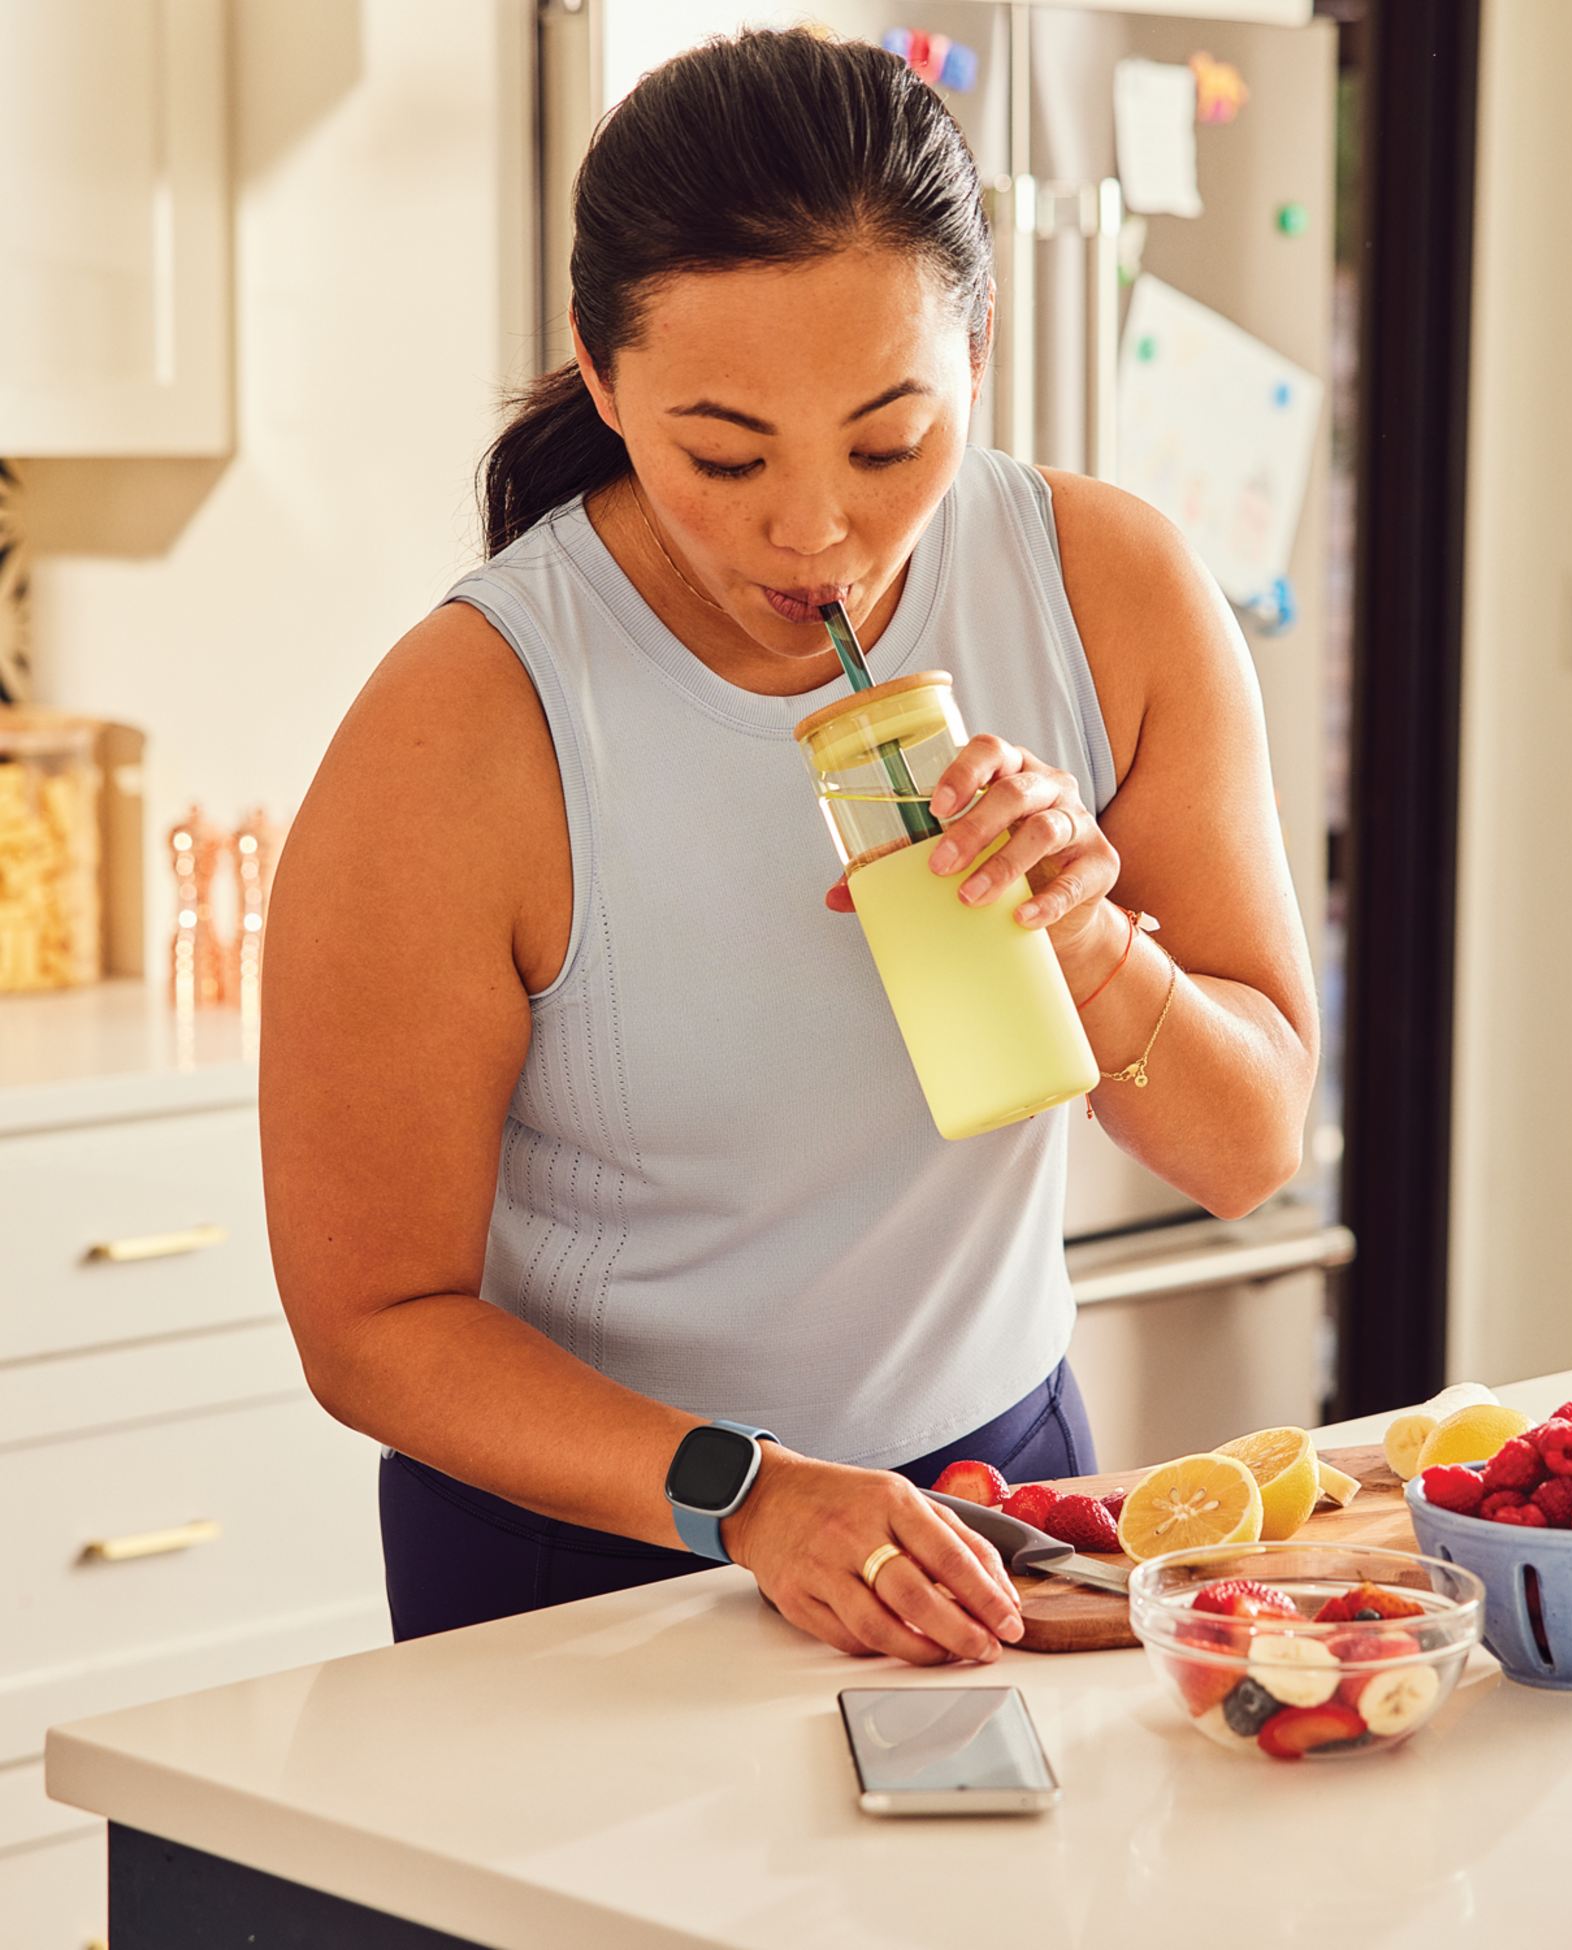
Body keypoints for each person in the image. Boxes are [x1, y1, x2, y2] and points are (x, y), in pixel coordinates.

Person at [260, 28, 1316, 1667]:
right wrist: (745, 1492)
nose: (815, 529)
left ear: (979, 344)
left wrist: (1092, 947)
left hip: (1006, 1488)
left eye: (890, 442)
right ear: (600, 379)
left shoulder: (1110, 595)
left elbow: (1247, 1152)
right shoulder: (468, 728)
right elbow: (371, 1326)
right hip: (595, 1550)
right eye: (724, 455)